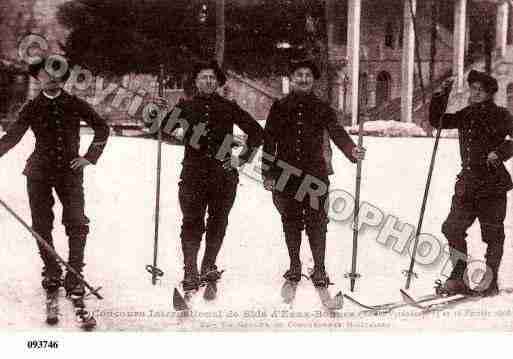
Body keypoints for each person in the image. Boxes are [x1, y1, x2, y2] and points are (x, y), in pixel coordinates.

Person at [0, 58, 109, 298]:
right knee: (41, 224)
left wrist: (89, 157)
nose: (50, 77)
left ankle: (75, 274)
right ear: (38, 78)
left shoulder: (74, 104)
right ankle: (51, 270)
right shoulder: (31, 107)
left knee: (77, 221)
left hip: (70, 173)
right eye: (44, 74)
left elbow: (102, 128)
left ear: (63, 77)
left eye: (55, 73)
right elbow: (12, 137)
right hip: (38, 173)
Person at [157, 60, 264, 291]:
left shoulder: (229, 106)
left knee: (218, 222)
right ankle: (190, 270)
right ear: (196, 82)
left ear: (217, 82)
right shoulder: (185, 106)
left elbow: (257, 132)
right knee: (191, 222)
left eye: (212, 78)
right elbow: (163, 131)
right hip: (193, 175)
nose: (208, 81)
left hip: (223, 176)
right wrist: (161, 112)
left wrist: (242, 159)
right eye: (203, 77)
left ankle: (208, 265)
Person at [261, 59, 366, 288]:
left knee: (317, 222)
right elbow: (269, 141)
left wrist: (351, 150)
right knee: (290, 220)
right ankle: (295, 265)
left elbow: (337, 132)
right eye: (299, 75)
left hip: (315, 174)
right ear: (291, 78)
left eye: (308, 75)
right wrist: (268, 173)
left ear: (313, 80)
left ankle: (319, 268)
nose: (304, 79)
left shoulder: (322, 107)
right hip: (285, 174)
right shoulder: (279, 106)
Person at [430, 70, 513, 296]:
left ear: (489, 93)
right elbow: (437, 121)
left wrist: (500, 152)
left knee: (492, 234)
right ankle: (459, 278)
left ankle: (490, 280)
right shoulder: (466, 114)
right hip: (467, 185)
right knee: (451, 228)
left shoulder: (502, 115)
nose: (475, 93)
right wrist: (440, 95)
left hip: (492, 185)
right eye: (472, 89)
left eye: (480, 90)